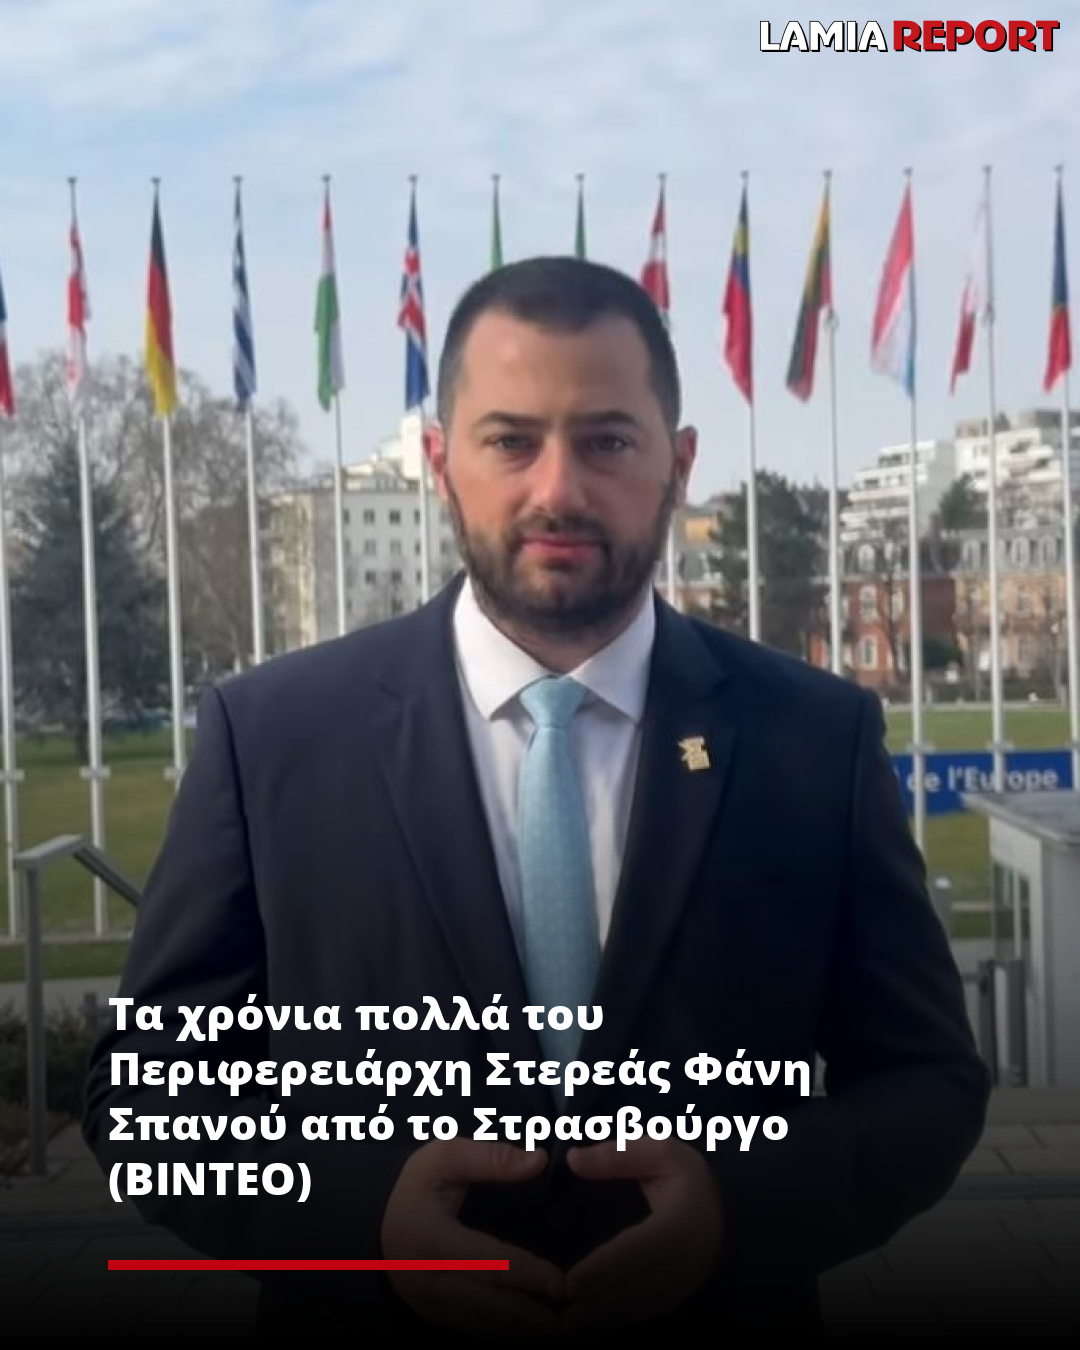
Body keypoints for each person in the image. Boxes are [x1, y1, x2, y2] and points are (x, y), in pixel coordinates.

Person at [83, 256, 989, 1343]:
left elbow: (927, 1080)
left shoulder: (815, 739)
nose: (557, 490)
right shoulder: (271, 737)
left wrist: (741, 1210)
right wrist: (365, 1222)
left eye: (607, 441)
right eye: (511, 441)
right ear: (440, 463)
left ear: (679, 465)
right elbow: (149, 1096)